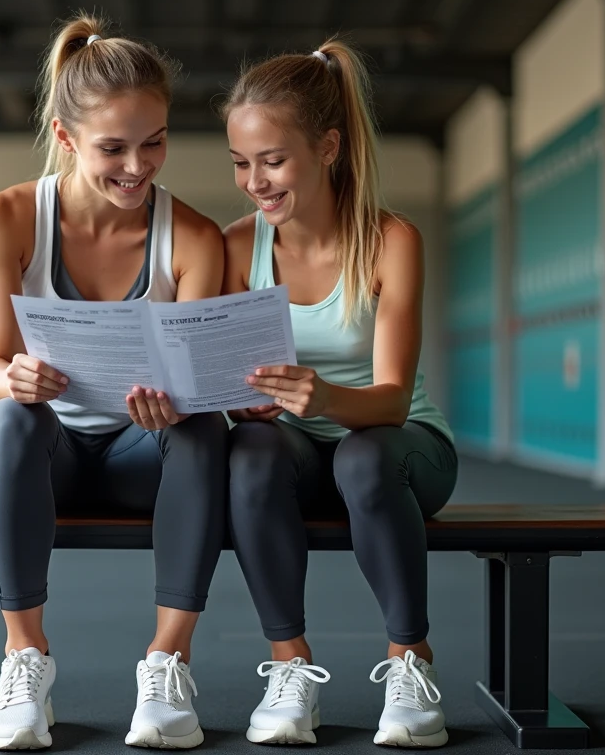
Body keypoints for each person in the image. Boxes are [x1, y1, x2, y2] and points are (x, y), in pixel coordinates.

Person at [0, 13, 229, 751]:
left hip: (141, 458)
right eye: (114, 148)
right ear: (68, 136)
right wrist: (12, 377)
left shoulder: (196, 238)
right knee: (6, 421)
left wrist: (177, 403)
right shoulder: (6, 218)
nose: (138, 168)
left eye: (156, 143)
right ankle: (25, 659)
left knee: (204, 428)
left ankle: (167, 662)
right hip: (37, 455)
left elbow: (198, 381)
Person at [220, 39, 459, 748]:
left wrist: (320, 396)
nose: (255, 182)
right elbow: (221, 377)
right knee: (250, 452)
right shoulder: (237, 246)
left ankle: (410, 662)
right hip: (294, 448)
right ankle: (289, 668)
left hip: (399, 449)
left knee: (363, 458)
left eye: (273, 160)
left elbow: (390, 398)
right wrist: (242, 404)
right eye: (241, 163)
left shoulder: (391, 240)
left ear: (327, 147)